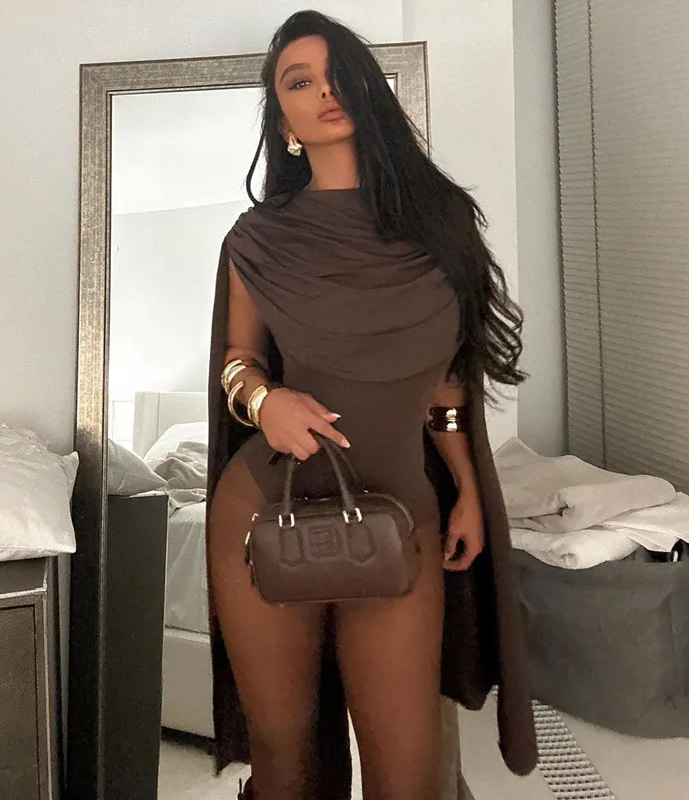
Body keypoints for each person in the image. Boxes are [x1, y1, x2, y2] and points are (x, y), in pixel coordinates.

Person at [205, 10, 538, 800]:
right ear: (281, 120)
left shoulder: (440, 225)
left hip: (400, 515)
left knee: (407, 774)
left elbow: (448, 375)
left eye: (338, 74)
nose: (324, 91)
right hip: (264, 510)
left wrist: (464, 484)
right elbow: (238, 360)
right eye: (299, 82)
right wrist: (265, 401)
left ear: (366, 89)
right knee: (285, 764)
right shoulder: (257, 239)